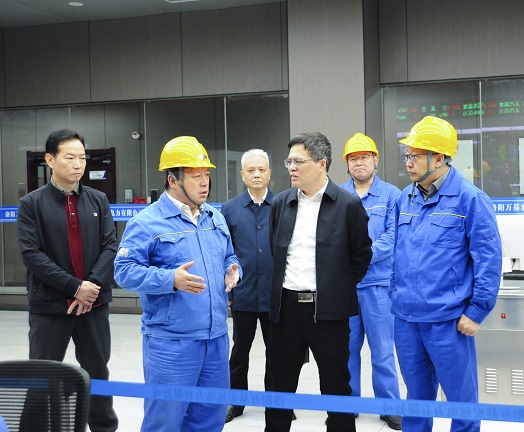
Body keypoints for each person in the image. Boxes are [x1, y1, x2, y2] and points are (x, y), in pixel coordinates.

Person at [113, 136, 241, 432]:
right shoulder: (146, 223)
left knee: (210, 418)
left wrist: (233, 270)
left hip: (216, 338)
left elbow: (229, 256)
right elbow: (124, 271)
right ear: (172, 180)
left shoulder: (215, 217)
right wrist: (170, 279)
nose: (205, 182)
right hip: (172, 343)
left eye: (206, 174)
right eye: (196, 176)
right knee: (165, 422)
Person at [391, 116, 502, 432]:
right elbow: (397, 254)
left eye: (415, 156)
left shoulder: (470, 199)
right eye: (407, 155)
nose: (408, 163)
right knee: (416, 400)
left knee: (461, 402)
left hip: (449, 321)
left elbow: (488, 261)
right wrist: (394, 295)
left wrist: (476, 312)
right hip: (406, 320)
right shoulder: (405, 197)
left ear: (438, 158)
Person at [265, 131, 372, 432]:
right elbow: (276, 250)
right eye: (289, 161)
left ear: (322, 163)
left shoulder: (348, 205)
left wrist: (335, 288)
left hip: (328, 313)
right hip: (285, 310)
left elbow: (361, 257)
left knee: (336, 388)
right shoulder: (281, 203)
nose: (291, 168)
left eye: (298, 161)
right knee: (279, 387)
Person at [16, 128, 119, 432]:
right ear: (50, 160)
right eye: (70, 158)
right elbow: (31, 254)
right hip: (50, 306)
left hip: (93, 306)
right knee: (42, 375)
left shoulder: (98, 200)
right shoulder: (32, 204)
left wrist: (90, 288)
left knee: (97, 374)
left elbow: (110, 246)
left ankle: (103, 428)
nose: (78, 165)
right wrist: (75, 287)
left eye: (82, 158)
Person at [339, 133, 402, 431]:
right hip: (346, 288)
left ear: (375, 159)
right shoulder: (337, 195)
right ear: (347, 164)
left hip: (378, 287)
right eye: (353, 158)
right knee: (346, 351)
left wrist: (364, 255)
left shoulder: (392, 195)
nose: (359, 163)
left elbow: (394, 235)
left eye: (364, 157)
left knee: (383, 351)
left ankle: (389, 407)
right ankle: (349, 406)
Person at [220, 149, 275, 423]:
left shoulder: (282, 205)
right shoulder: (229, 209)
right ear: (242, 175)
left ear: (269, 173)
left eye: (261, 169)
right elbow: (224, 251)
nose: (256, 174)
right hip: (243, 294)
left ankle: (276, 404)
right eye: (251, 170)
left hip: (274, 295)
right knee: (240, 350)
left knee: (277, 353)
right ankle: (236, 402)